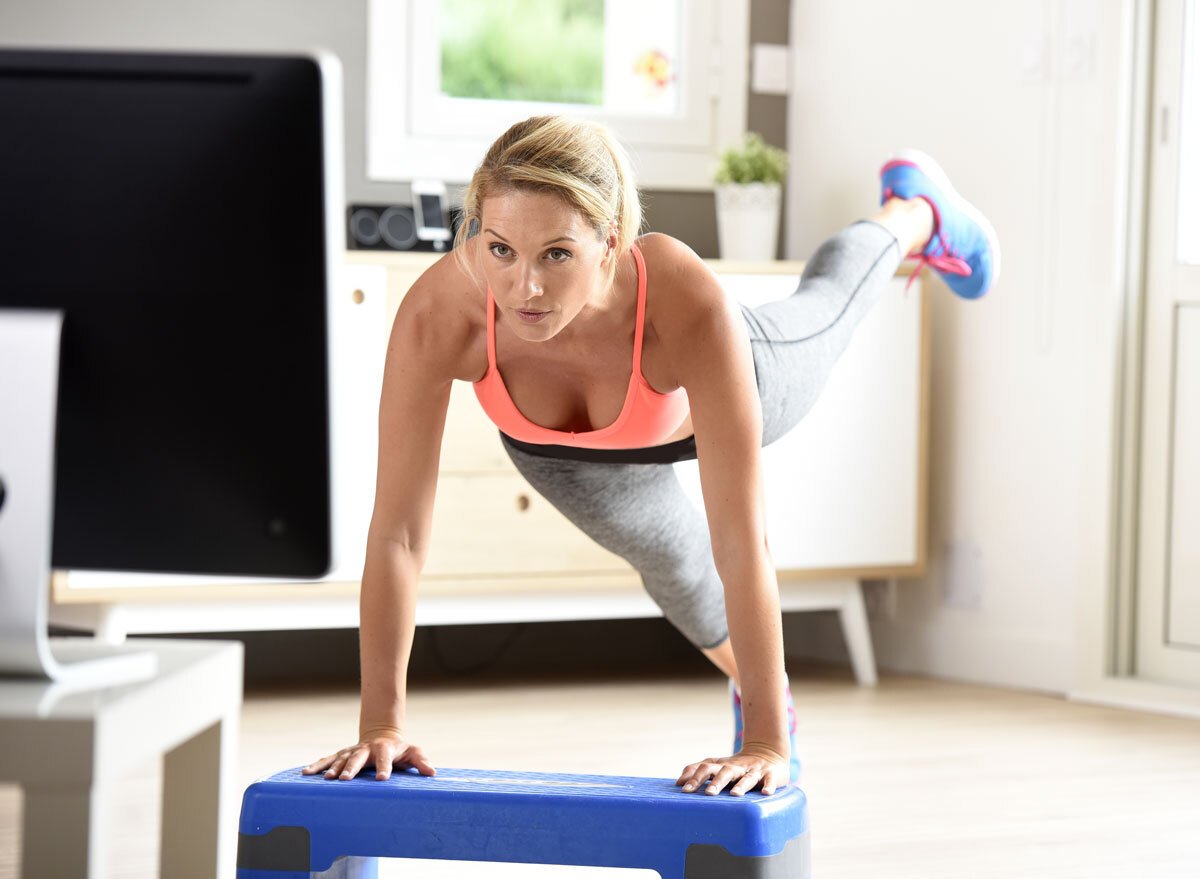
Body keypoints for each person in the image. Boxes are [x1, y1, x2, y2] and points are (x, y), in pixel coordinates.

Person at [304, 115, 999, 798]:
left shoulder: (680, 298)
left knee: (825, 308)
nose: (524, 289)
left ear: (608, 244)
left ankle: (914, 210)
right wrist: (381, 724)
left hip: (725, 384)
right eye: (501, 250)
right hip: (563, 450)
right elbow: (397, 531)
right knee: (675, 571)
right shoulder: (440, 313)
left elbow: (741, 540)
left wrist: (764, 746)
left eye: (557, 254)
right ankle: (767, 688)